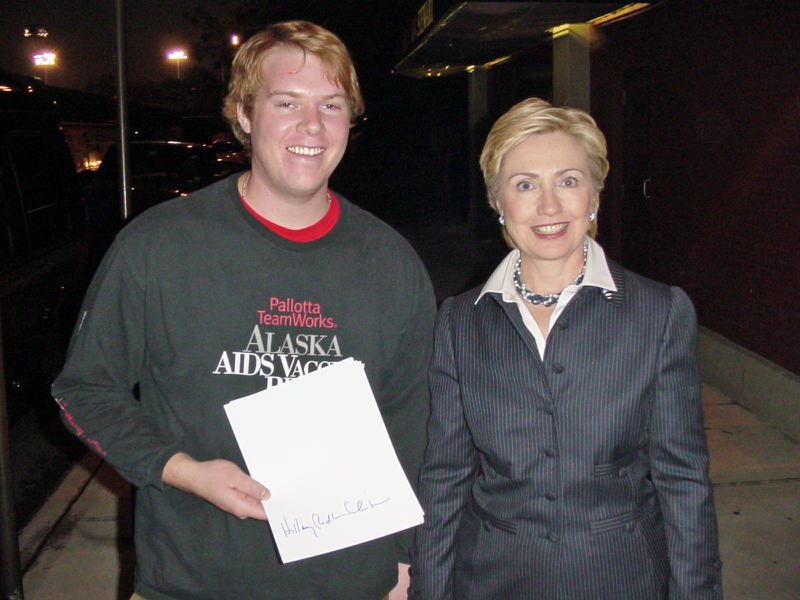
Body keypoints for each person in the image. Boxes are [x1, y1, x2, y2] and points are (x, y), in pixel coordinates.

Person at [53, 21, 436, 600]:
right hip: (192, 581)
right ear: (246, 116)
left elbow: (414, 422)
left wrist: (404, 561)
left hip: (349, 582)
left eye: (331, 105)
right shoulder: (157, 247)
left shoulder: (392, 262)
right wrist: (183, 470)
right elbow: (83, 392)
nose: (312, 125)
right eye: (287, 101)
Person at [409, 98, 722, 599]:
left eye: (569, 181)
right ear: (498, 201)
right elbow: (445, 477)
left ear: (594, 195)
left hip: (622, 578)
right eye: (525, 184)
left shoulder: (659, 313)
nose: (549, 206)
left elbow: (683, 481)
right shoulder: (460, 321)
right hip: (492, 578)